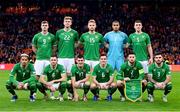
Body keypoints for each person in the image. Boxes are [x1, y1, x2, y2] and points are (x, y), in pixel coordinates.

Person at [55, 16, 79, 99]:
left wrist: (72, 48)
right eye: (66, 21)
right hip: (61, 57)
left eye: (69, 21)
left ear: (71, 23)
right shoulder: (59, 32)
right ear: (63, 22)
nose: (67, 22)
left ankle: (70, 93)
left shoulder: (75, 33)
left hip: (70, 57)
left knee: (70, 76)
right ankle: (60, 93)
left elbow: (77, 43)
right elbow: (56, 43)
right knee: (60, 76)